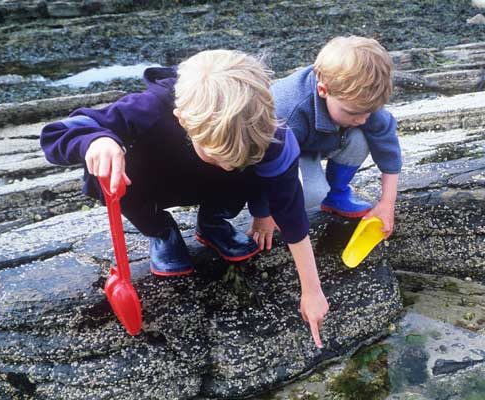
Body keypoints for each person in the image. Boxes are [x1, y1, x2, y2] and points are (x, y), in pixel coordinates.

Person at [40, 50, 328, 347]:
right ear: (182, 120)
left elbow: (291, 212)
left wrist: (312, 290)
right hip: (157, 178)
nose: (229, 165)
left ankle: (213, 221)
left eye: (235, 159)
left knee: (251, 168)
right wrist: (96, 141)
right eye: (220, 156)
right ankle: (161, 231)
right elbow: (58, 133)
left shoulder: (265, 131)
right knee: (108, 171)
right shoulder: (149, 109)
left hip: (214, 185)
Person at [247, 36, 402, 250]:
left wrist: (387, 202)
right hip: (286, 150)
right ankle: (296, 201)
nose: (362, 119)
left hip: (324, 139)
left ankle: (337, 194)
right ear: (323, 90)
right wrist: (262, 213)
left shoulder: (361, 102)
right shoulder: (289, 113)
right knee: (313, 193)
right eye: (353, 112)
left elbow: (388, 147)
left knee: (362, 137)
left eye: (368, 113)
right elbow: (263, 163)